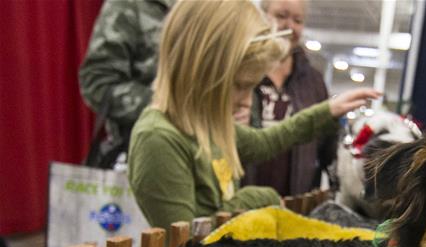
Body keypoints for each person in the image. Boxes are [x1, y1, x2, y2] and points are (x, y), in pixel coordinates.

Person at [127, 0, 379, 229]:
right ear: (202, 70)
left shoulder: (208, 125)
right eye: (239, 86)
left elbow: (266, 141)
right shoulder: (157, 140)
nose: (245, 101)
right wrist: (255, 199)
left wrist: (327, 111)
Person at [242, 0, 335, 196]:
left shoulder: (314, 81)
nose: (289, 26)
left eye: (298, 20)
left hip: (295, 202)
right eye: (281, 16)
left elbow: (328, 146)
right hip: (242, 199)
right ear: (262, 16)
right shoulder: (242, 70)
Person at [79, 0, 176, 168]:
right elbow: (98, 81)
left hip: (218, 157)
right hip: (145, 157)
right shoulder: (129, 4)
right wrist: (167, 107)